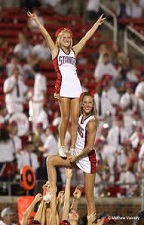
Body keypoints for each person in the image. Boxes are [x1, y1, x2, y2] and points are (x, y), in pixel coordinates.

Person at [27, 11, 105, 158]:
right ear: (59, 40)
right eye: (64, 38)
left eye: (69, 38)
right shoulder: (55, 51)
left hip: (76, 86)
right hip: (63, 87)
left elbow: (86, 38)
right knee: (65, 118)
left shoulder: (74, 51)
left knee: (76, 118)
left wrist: (95, 24)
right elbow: (46, 35)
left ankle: (74, 147)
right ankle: (62, 144)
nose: (67, 39)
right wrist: (37, 21)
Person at [47, 92, 99, 220]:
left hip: (87, 159)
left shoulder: (91, 122)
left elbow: (90, 147)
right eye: (85, 102)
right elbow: (65, 113)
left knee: (89, 197)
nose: (87, 105)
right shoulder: (80, 116)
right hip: (77, 155)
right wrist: (59, 100)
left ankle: (92, 223)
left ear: (93, 105)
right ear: (81, 104)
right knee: (50, 160)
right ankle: (51, 193)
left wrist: (75, 157)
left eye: (90, 103)